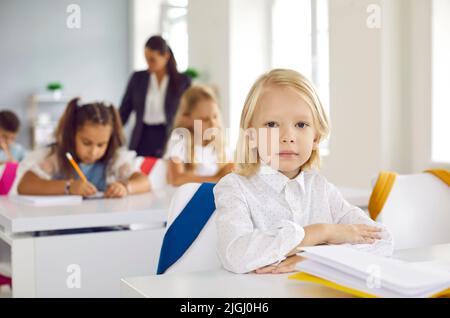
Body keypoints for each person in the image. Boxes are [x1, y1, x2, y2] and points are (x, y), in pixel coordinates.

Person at [214, 69, 393, 274]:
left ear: (316, 138)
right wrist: (321, 233)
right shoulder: (234, 188)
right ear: (251, 136)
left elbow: (382, 240)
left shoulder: (321, 189)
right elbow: (236, 255)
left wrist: (314, 259)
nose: (288, 136)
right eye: (272, 124)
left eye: (301, 124)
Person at [14, 98, 150, 198]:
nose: (93, 152)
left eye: (101, 144)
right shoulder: (55, 157)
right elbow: (25, 185)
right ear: (72, 134)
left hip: (104, 228)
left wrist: (125, 187)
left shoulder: (114, 160)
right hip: (60, 228)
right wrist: (68, 187)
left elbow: (144, 181)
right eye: (86, 143)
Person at [120, 35, 191, 158]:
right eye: (146, 59)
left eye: (152, 60)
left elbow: (188, 114)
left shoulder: (182, 81)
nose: (148, 64)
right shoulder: (137, 78)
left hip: (168, 136)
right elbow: (124, 111)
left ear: (166, 56)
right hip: (142, 136)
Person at [164, 85, 234, 186]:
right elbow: (175, 179)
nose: (213, 123)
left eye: (215, 116)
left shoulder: (220, 144)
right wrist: (217, 178)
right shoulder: (179, 140)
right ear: (187, 119)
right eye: (205, 119)